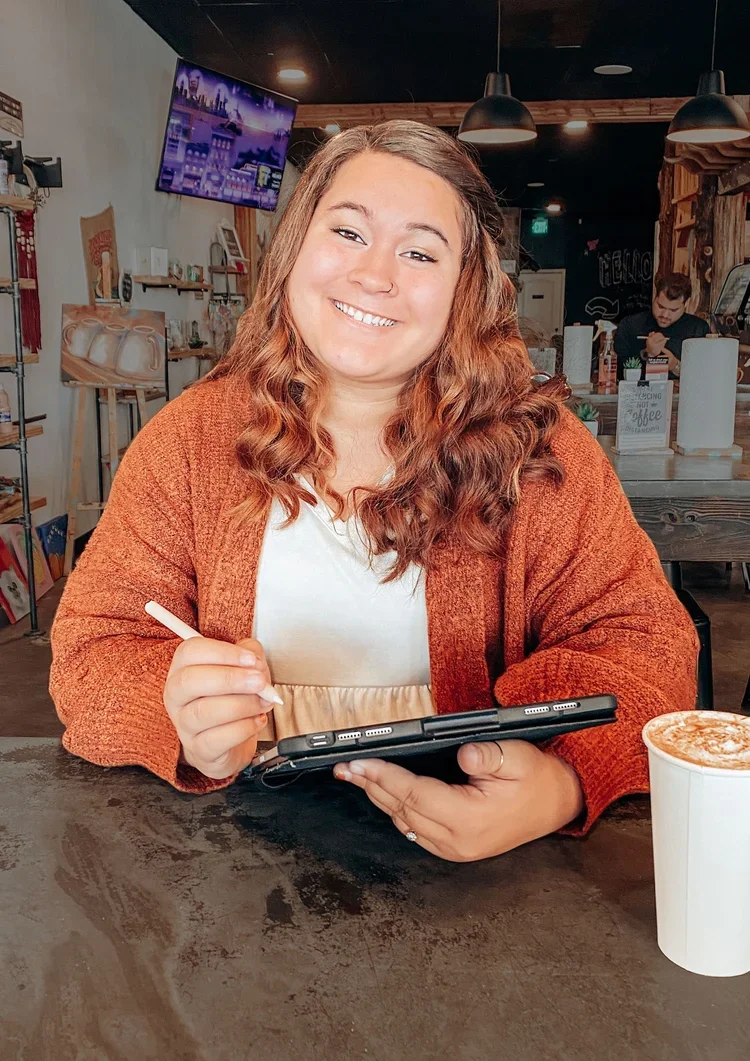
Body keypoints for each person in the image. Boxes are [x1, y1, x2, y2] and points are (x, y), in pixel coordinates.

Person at [50, 121, 698, 863]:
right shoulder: (188, 441)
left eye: (421, 251)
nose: (376, 275)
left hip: (483, 876)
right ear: (294, 246)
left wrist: (560, 785)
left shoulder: (540, 453)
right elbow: (91, 651)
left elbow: (647, 650)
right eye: (348, 232)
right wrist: (173, 706)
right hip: (231, 865)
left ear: (466, 289)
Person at [615, 273, 710, 380]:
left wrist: (675, 365)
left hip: (683, 395)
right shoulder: (631, 325)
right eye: (660, 306)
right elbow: (616, 372)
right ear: (655, 297)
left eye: (673, 310)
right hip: (637, 394)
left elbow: (707, 374)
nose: (665, 315)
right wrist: (647, 353)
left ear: (686, 304)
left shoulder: (698, 329)